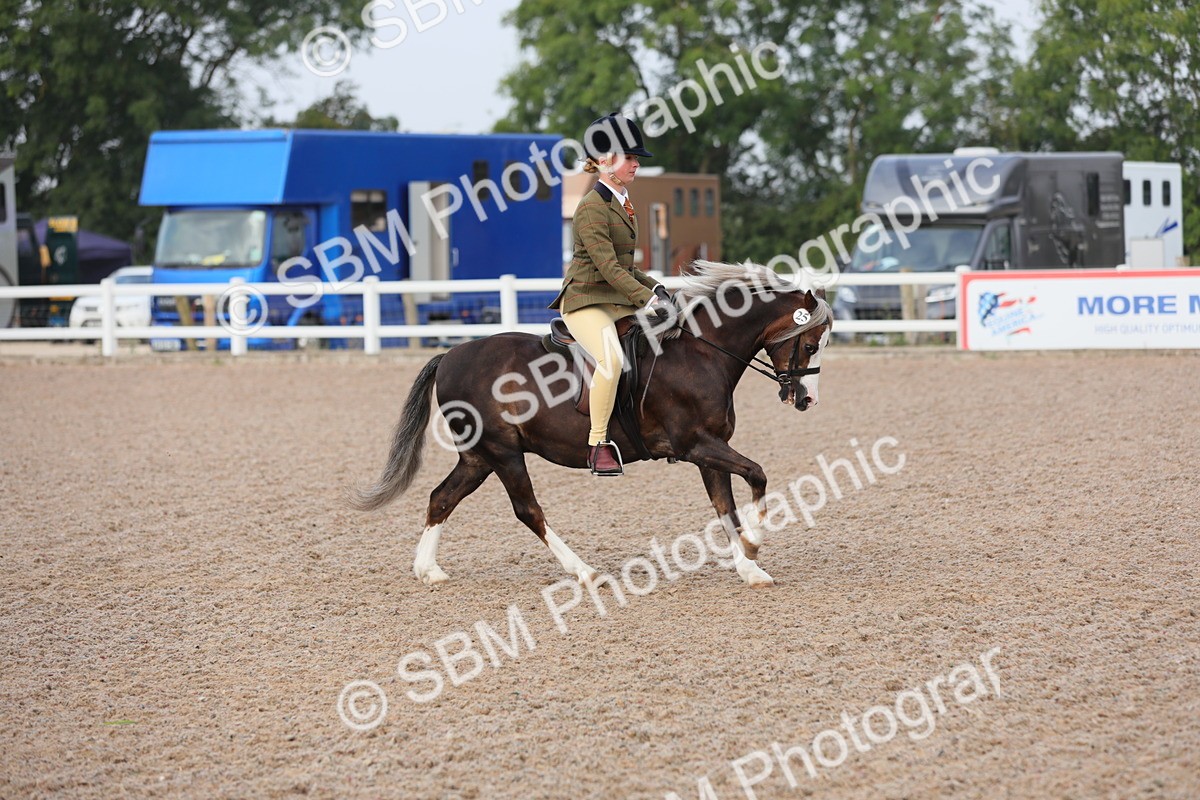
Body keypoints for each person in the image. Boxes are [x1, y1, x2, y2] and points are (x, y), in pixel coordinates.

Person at [549, 114, 672, 476]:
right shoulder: (591, 207)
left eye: (636, 158)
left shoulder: (623, 202)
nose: (636, 163)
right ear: (604, 161)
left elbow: (626, 267)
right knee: (612, 361)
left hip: (615, 300)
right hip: (586, 301)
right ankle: (598, 444)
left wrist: (657, 287)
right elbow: (608, 269)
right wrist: (647, 300)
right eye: (628, 157)